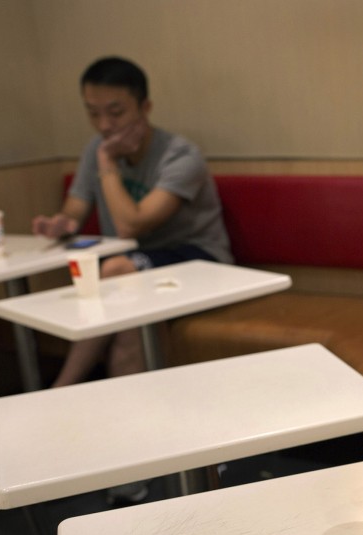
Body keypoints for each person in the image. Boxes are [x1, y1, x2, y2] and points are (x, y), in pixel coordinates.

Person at [32, 56, 232, 388]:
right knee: (127, 317)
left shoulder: (181, 156)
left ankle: (61, 389)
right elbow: (74, 210)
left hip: (200, 259)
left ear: (145, 107)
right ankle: (101, 406)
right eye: (93, 113)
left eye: (116, 111)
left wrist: (108, 162)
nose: (104, 125)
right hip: (138, 266)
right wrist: (60, 224)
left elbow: (131, 226)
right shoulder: (95, 149)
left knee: (115, 270)